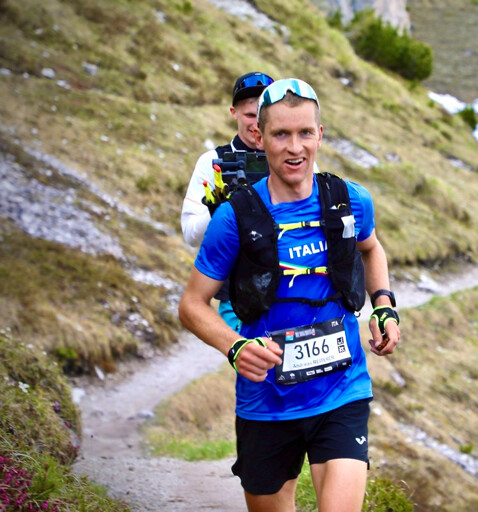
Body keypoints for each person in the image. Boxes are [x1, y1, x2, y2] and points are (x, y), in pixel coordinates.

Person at [177, 78, 401, 512]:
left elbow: (371, 248)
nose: (294, 147)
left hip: (342, 389)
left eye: (304, 133)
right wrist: (235, 346)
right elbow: (191, 305)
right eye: (281, 134)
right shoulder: (233, 218)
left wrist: (384, 307)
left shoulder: (351, 200)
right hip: (266, 401)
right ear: (260, 137)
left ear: (320, 135)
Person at [180, 71, 275, 331]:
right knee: (253, 357)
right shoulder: (212, 162)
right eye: (250, 115)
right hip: (238, 299)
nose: (257, 124)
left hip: (293, 290)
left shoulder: (293, 158)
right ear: (234, 112)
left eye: (264, 115)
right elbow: (190, 235)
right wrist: (217, 209)